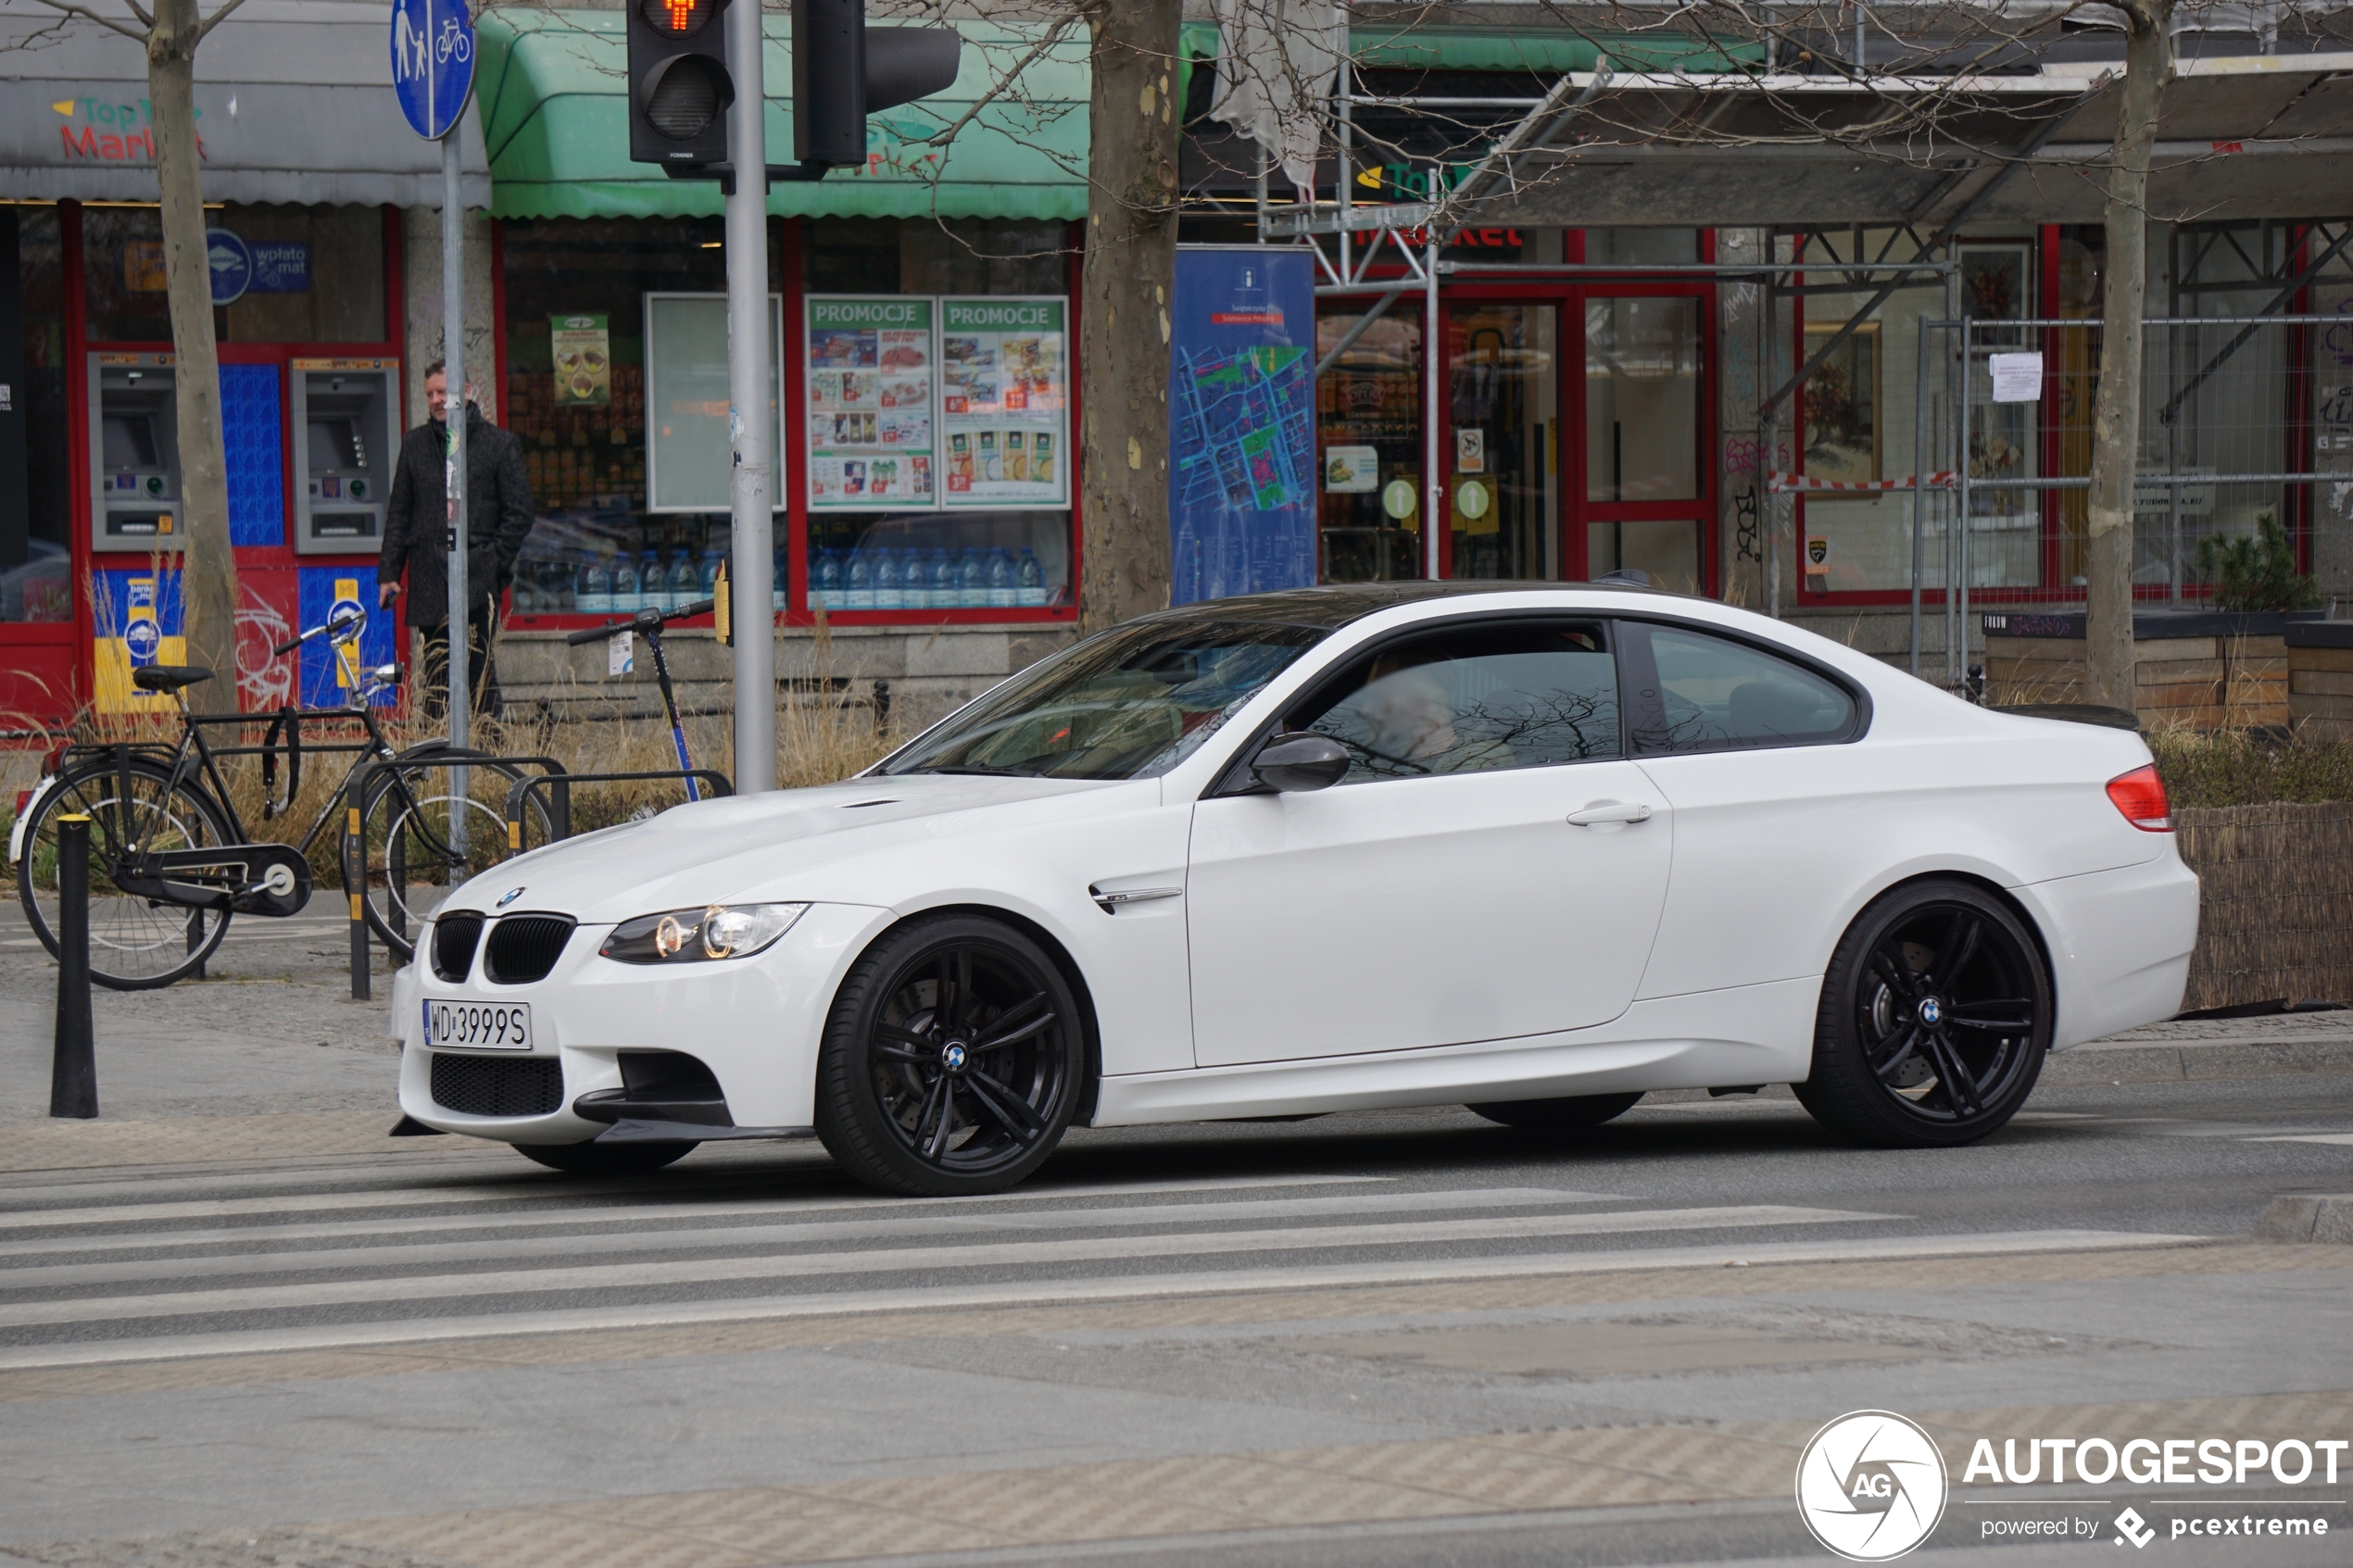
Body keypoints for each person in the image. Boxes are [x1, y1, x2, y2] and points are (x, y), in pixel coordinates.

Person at [379, 362, 535, 721]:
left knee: (479, 674)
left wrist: (492, 559)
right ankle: (434, 764)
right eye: (430, 394)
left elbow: (520, 512)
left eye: (443, 392)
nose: (436, 400)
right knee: (435, 678)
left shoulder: (499, 444)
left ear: (465, 392)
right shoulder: (415, 444)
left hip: (478, 575)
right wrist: (389, 572)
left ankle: (490, 763)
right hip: (429, 575)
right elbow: (400, 511)